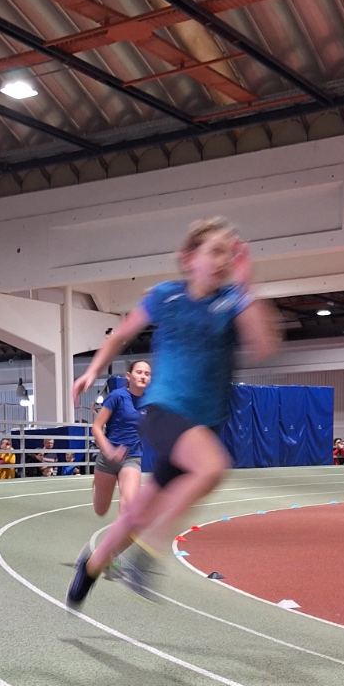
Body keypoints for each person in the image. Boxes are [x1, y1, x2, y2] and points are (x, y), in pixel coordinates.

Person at [67, 218, 276, 607]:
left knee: (137, 515)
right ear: (189, 258)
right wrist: (94, 369)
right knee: (212, 468)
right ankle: (148, 553)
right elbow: (121, 333)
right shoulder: (166, 296)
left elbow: (264, 346)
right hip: (165, 411)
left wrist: (247, 285)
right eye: (214, 251)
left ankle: (91, 566)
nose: (222, 261)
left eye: (228, 254)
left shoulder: (233, 301)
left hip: (203, 424)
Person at [91, 360, 151, 517]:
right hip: (107, 459)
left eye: (147, 374)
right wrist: (109, 450)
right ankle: (97, 486)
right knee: (100, 510)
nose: (143, 376)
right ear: (129, 376)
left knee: (128, 505)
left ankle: (119, 531)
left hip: (132, 457)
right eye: (139, 372)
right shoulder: (117, 396)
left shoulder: (149, 402)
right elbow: (96, 427)